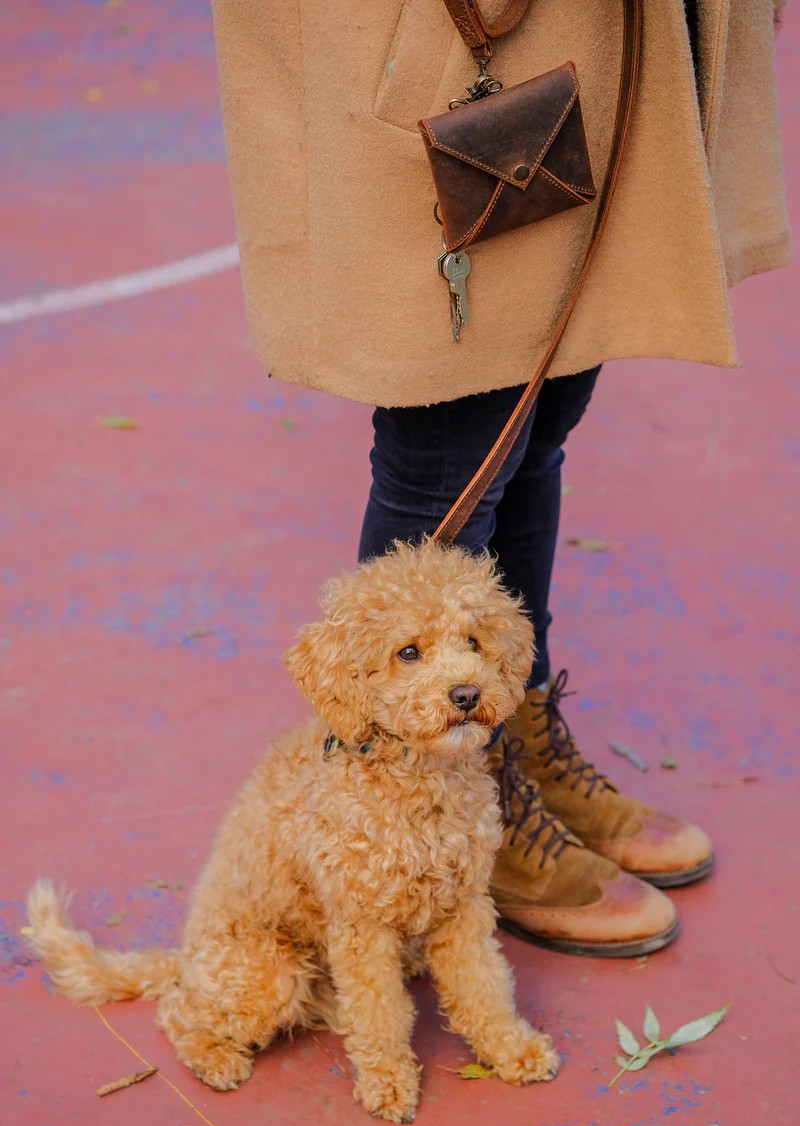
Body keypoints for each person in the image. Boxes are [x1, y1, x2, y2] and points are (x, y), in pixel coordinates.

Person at [211, 0, 790, 955]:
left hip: (599, 32)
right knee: (458, 429)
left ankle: (510, 742)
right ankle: (414, 804)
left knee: (546, 401)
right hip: (451, 30)